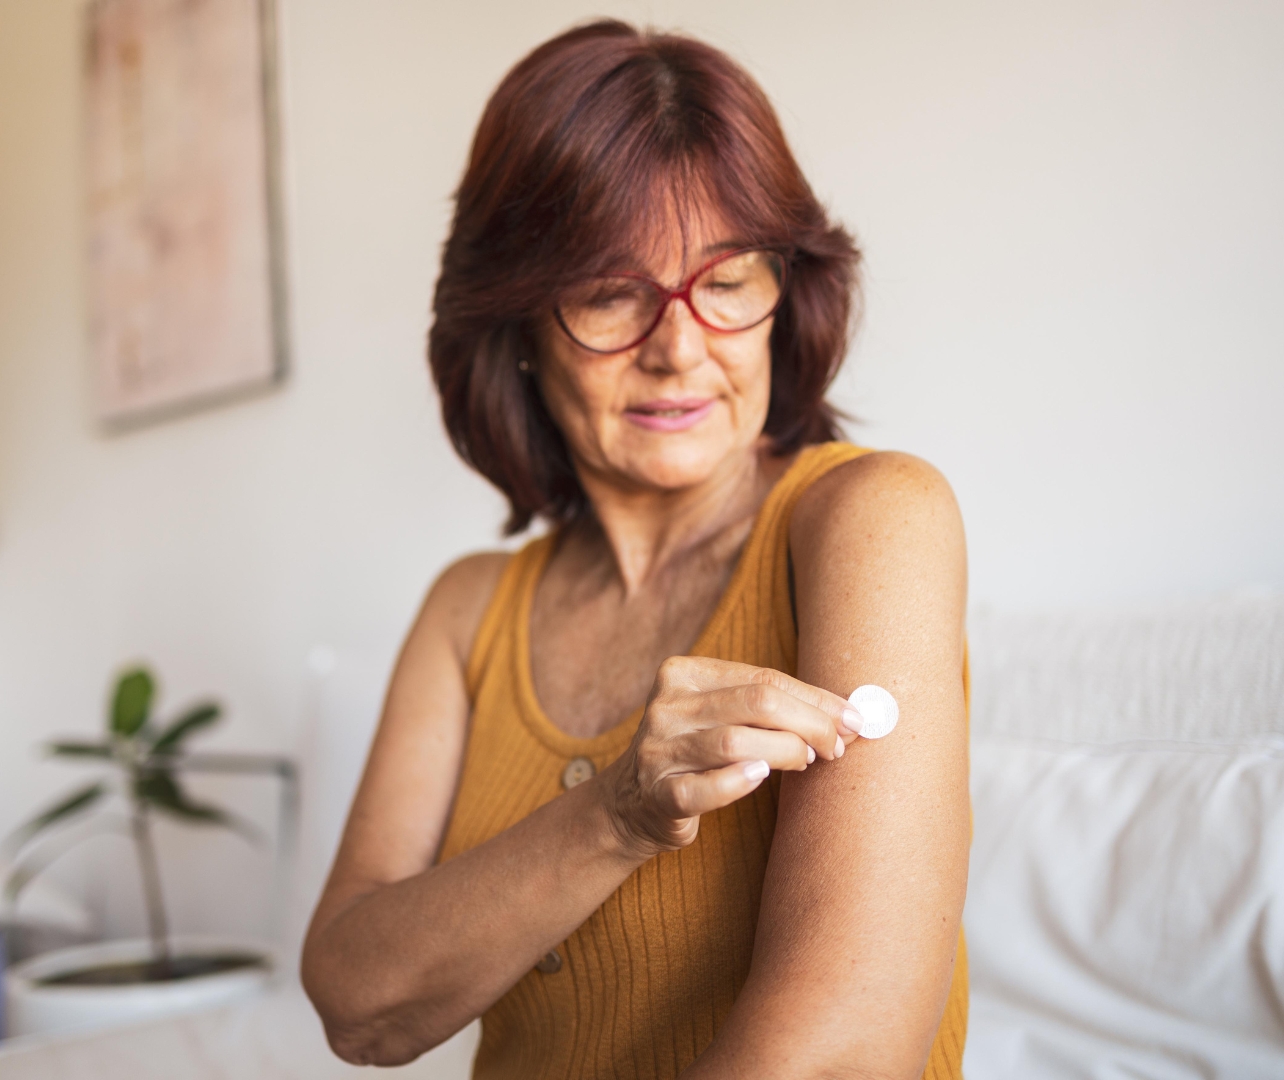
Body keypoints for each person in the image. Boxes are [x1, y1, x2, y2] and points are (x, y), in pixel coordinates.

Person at [302, 19, 970, 1080]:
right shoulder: (467, 610)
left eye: (728, 277)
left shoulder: (869, 519)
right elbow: (357, 1004)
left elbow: (847, 1047)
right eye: (611, 292)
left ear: (784, 292)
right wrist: (616, 814)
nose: (679, 347)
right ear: (515, 327)